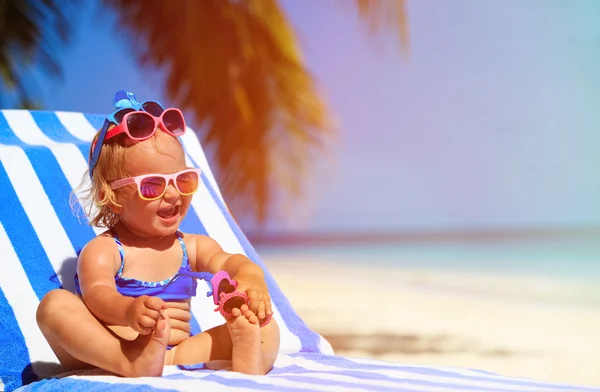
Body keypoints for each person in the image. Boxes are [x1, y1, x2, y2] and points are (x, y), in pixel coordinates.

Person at [36, 91, 280, 377]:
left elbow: (229, 262)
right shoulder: (106, 250)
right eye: (153, 186)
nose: (174, 194)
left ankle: (244, 362)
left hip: (177, 353)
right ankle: (130, 361)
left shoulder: (193, 247)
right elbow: (97, 295)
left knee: (266, 328)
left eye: (183, 180)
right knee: (54, 306)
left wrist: (250, 276)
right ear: (111, 196)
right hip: (110, 351)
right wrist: (128, 311)